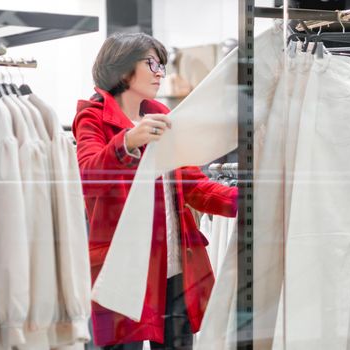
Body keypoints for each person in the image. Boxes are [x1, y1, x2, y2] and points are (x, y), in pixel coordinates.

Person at [72, 32, 238, 350]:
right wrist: (127, 143)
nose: (160, 72)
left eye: (161, 64)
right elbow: (88, 176)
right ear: (120, 67)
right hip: (124, 267)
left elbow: (190, 183)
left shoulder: (160, 114)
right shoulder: (92, 117)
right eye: (151, 63)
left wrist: (241, 200)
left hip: (175, 264)